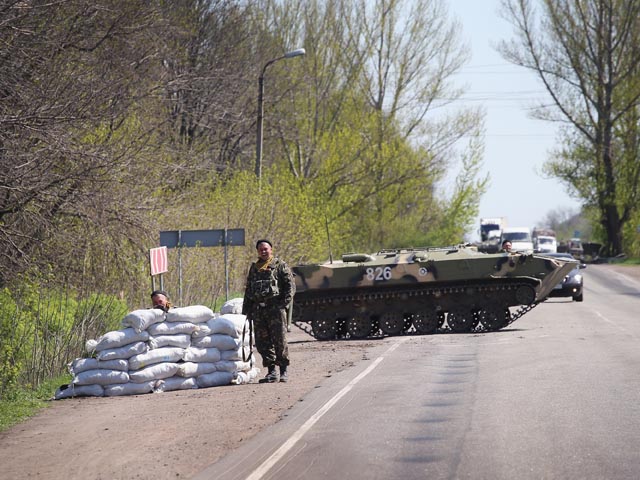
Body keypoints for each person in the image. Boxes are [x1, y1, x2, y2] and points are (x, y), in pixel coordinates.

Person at [242, 239, 295, 383]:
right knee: (262, 342)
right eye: (260, 249)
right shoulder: (254, 268)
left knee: (280, 340)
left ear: (271, 250)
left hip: (275, 310)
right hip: (259, 311)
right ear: (257, 251)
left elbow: (290, 287)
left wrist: (283, 305)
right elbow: (248, 290)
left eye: (266, 249)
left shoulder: (280, 266)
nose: (263, 251)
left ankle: (283, 371)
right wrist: (246, 311)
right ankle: (271, 372)